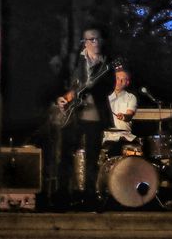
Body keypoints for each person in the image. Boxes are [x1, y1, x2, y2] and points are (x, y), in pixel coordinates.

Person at [56, 28, 113, 208]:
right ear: (85, 42)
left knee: (92, 159)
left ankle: (89, 196)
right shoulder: (75, 62)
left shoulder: (106, 65)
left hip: (94, 116)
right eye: (92, 39)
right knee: (66, 155)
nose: (96, 43)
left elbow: (109, 88)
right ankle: (63, 195)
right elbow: (64, 83)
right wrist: (62, 97)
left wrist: (92, 87)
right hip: (73, 115)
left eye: (98, 39)